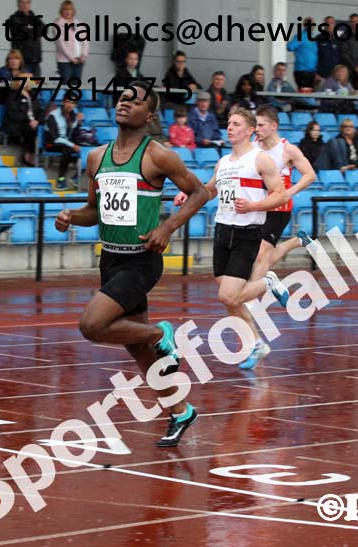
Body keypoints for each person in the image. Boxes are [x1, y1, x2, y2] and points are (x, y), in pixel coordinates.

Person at [54, 81, 209, 447]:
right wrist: (70, 217)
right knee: (139, 352)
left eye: (134, 101)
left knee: (92, 325)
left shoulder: (158, 155)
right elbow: (94, 211)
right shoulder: (96, 157)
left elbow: (201, 192)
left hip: (142, 261)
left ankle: (161, 332)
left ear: (149, 115)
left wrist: (168, 226)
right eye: (122, 98)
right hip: (110, 258)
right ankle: (180, 411)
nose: (124, 103)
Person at [174, 107, 291, 368]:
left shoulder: (261, 160)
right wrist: (188, 194)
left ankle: (268, 282)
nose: (229, 127)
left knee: (228, 296)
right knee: (231, 296)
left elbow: (280, 194)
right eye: (228, 123)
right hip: (222, 231)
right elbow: (210, 190)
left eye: (236, 124)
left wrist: (253, 207)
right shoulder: (223, 161)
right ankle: (256, 344)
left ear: (250, 131)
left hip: (247, 232)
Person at [231, 104, 317, 368]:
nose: (256, 128)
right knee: (259, 262)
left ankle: (255, 336)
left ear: (273, 126)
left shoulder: (287, 149)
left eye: (260, 124)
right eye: (254, 125)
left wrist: (290, 192)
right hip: (257, 208)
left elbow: (310, 174)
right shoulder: (254, 147)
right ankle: (292, 245)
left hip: (278, 209)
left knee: (260, 262)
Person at [3, 73, 42, 167]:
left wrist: (37, 120)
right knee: (30, 129)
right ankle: (28, 153)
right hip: (18, 123)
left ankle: (36, 151)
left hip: (33, 122)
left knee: (43, 128)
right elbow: (13, 113)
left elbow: (39, 110)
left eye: (28, 79)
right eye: (23, 79)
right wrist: (29, 121)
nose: (26, 81)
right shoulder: (13, 96)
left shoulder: (32, 94)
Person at [44, 95, 83, 188]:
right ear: (63, 102)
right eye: (68, 102)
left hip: (67, 142)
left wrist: (78, 123)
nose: (70, 105)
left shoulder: (74, 115)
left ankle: (75, 177)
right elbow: (55, 138)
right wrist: (73, 146)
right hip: (52, 143)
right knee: (67, 149)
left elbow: (73, 134)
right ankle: (61, 179)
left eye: (73, 103)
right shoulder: (53, 115)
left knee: (88, 151)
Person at [6, 0, 42, 77]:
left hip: (35, 60)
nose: (25, 5)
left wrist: (29, 28)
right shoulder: (14, 18)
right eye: (22, 2)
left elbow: (44, 30)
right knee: (23, 85)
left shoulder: (34, 17)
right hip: (22, 61)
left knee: (36, 86)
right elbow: (23, 32)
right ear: (18, 4)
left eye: (27, 2)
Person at [54, 0, 88, 82]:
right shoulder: (58, 24)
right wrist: (71, 58)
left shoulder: (79, 23)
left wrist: (84, 55)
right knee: (66, 85)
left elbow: (85, 41)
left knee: (76, 85)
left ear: (73, 11)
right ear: (61, 11)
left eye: (70, 9)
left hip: (79, 60)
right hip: (65, 61)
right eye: (65, 9)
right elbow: (61, 44)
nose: (68, 12)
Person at [287, 17, 318, 89]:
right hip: (302, 71)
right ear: (304, 25)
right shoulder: (300, 36)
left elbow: (315, 55)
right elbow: (290, 47)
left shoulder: (313, 38)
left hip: (312, 72)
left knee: (309, 94)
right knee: (304, 94)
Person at [339, 13, 358, 91]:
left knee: (357, 92)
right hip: (348, 70)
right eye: (353, 22)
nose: (355, 24)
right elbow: (344, 54)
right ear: (350, 22)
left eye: (357, 22)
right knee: (347, 91)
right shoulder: (344, 36)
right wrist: (355, 67)